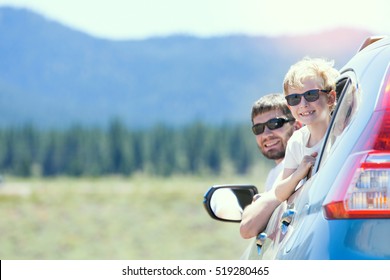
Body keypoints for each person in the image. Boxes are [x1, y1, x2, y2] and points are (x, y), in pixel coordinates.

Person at [274, 57, 339, 203]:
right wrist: (299, 173)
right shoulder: (297, 141)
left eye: (311, 95)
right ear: (289, 106)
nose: (303, 104)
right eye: (294, 98)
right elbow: (279, 193)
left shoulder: (342, 134)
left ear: (330, 98)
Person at [240, 93, 301, 239]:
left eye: (275, 124)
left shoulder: (299, 164)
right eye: (258, 129)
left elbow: (247, 228)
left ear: (297, 126)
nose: (266, 134)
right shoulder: (275, 173)